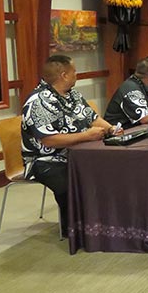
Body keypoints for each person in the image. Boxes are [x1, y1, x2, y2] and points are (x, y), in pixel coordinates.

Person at [21, 55, 122, 235]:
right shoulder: (37, 102)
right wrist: (85, 136)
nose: (77, 74)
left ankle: (106, 221)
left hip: (78, 153)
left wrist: (111, 129)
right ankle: (75, 229)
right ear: (64, 75)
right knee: (72, 183)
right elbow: (49, 140)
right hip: (45, 160)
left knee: (111, 168)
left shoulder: (73, 95)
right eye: (74, 71)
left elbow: (92, 118)